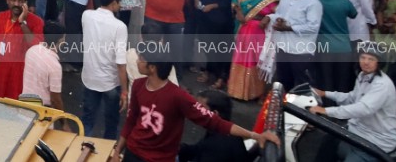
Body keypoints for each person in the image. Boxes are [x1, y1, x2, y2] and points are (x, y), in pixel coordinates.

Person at [110, 53, 273, 162]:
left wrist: (254, 135)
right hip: (133, 153)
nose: (137, 61)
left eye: (141, 59)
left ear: (152, 68)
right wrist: (118, 151)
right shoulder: (138, 85)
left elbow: (217, 123)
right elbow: (131, 121)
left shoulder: (178, 97)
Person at [310, 44, 396, 162]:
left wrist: (326, 111)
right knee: (328, 142)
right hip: (358, 131)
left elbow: (362, 109)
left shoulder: (382, 85)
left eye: (371, 59)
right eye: (363, 57)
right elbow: (352, 98)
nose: (365, 62)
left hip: (377, 140)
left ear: (379, 62)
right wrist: (324, 93)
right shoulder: (363, 76)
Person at [81, 0, 129, 139]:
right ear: (113, 3)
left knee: (87, 120)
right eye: (119, 2)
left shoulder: (86, 15)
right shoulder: (119, 27)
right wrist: (125, 91)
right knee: (111, 123)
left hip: (89, 78)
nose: (120, 6)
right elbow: (121, 63)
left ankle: (82, 150)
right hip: (110, 82)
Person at [0, 0, 43, 100]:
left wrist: (22, 22)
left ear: (25, 2)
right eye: (13, 0)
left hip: (22, 76)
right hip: (0, 73)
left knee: (18, 110)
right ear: (7, 0)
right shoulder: (0, 18)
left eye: (20, 1)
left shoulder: (36, 22)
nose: (16, 4)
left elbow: (37, 47)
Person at [229, 0, 278, 100]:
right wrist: (237, 10)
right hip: (242, 29)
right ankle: (237, 91)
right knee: (239, 57)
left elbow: (277, 14)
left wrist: (267, 18)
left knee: (253, 59)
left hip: (257, 31)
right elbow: (234, 1)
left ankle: (254, 92)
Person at [270, 0, 322, 90]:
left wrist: (288, 28)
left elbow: (313, 27)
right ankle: (283, 108)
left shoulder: (312, 2)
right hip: (282, 47)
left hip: (300, 51)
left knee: (301, 85)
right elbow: (280, 13)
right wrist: (278, 19)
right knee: (283, 82)